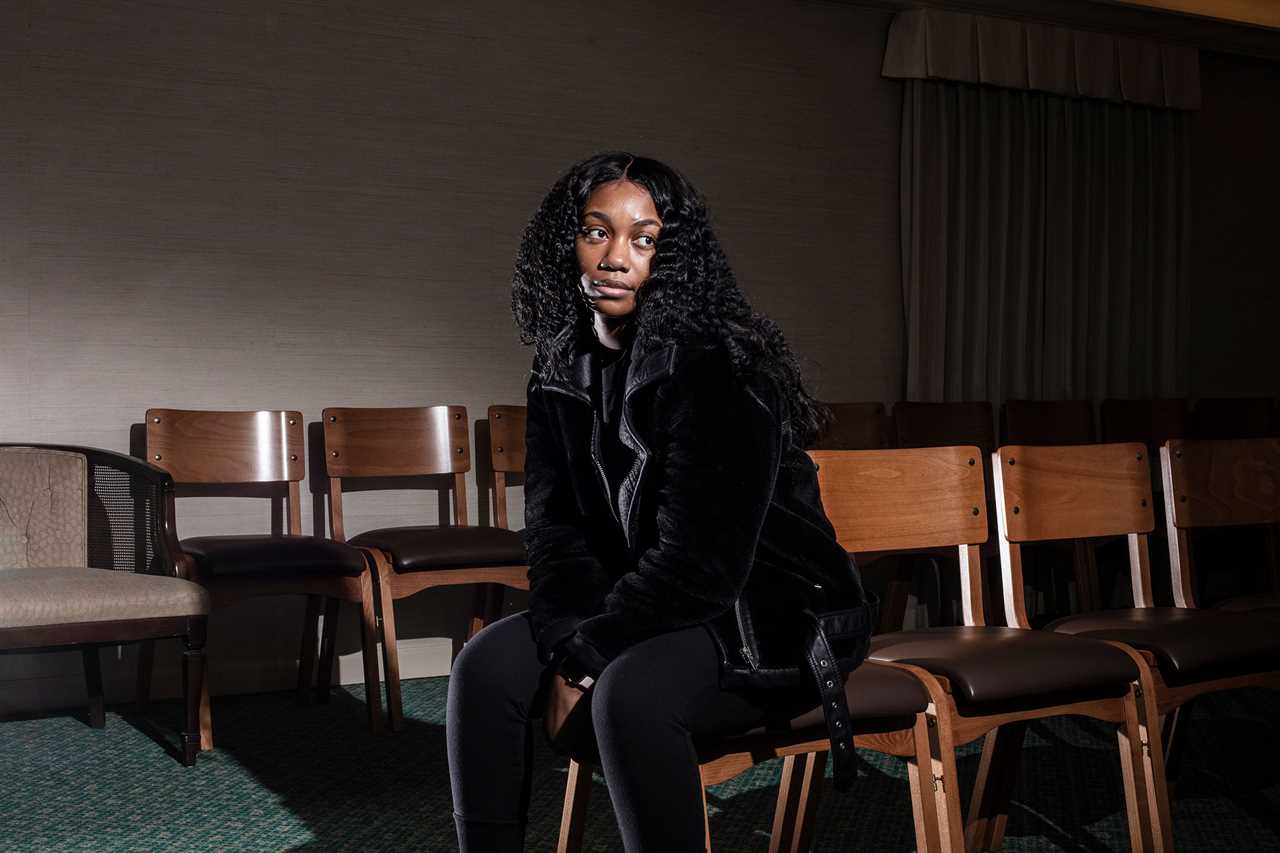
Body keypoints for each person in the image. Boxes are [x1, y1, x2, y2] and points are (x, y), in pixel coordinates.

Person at [446, 152, 871, 852]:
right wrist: (565, 639)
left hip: (771, 613)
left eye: (644, 239)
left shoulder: (720, 364)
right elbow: (556, 533)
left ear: (671, 256)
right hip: (649, 604)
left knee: (630, 692)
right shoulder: (558, 367)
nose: (617, 257)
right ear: (569, 244)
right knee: (485, 666)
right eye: (597, 232)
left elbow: (703, 562)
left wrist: (584, 662)